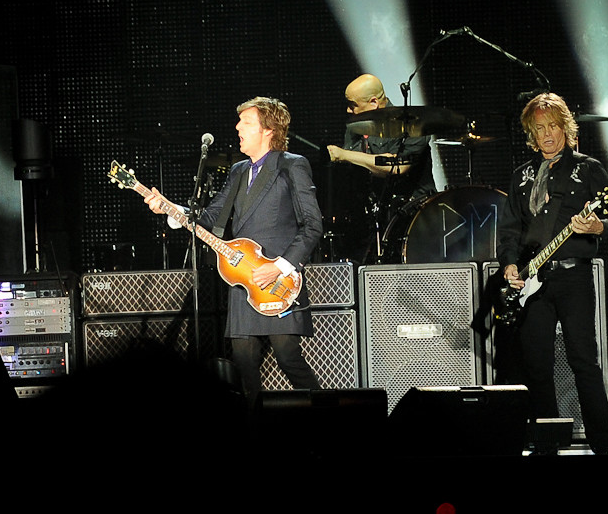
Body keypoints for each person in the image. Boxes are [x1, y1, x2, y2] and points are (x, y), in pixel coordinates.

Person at [144, 96, 324, 411]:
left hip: (278, 279)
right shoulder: (239, 170)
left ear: (268, 130)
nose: (238, 128)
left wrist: (280, 267)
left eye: (247, 122)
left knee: (288, 357)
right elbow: (211, 217)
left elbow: (312, 226)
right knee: (243, 364)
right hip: (243, 278)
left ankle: (327, 420)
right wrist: (171, 209)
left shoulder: (292, 164)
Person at [497, 92, 608, 454]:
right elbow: (509, 231)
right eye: (539, 129)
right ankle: (548, 447)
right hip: (532, 282)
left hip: (573, 278)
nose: (547, 135)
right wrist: (510, 264)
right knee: (537, 367)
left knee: (584, 361)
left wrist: (597, 228)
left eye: (553, 127)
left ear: (565, 129)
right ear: (531, 135)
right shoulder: (521, 176)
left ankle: (602, 446)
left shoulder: (588, 168)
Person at [326, 74, 437, 262]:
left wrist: (344, 155)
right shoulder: (355, 127)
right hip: (373, 216)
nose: (348, 110)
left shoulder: (413, 124)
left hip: (415, 216)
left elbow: (397, 167)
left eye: (353, 104)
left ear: (373, 102)